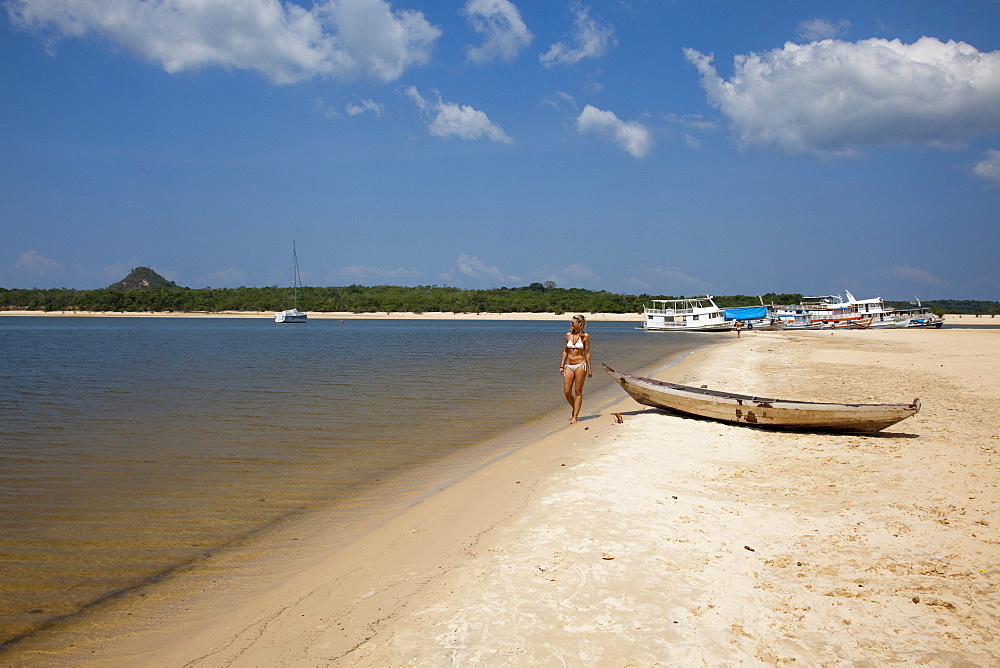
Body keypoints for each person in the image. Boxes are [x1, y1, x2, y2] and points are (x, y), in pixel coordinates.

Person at [560, 314, 592, 424]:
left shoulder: (585, 336)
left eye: (573, 322)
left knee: (578, 391)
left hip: (580, 364)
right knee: (567, 392)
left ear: (580, 324)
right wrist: (561, 365)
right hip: (569, 365)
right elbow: (565, 351)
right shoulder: (568, 335)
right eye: (571, 322)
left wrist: (590, 368)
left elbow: (587, 353)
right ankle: (575, 407)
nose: (571, 324)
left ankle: (575, 416)